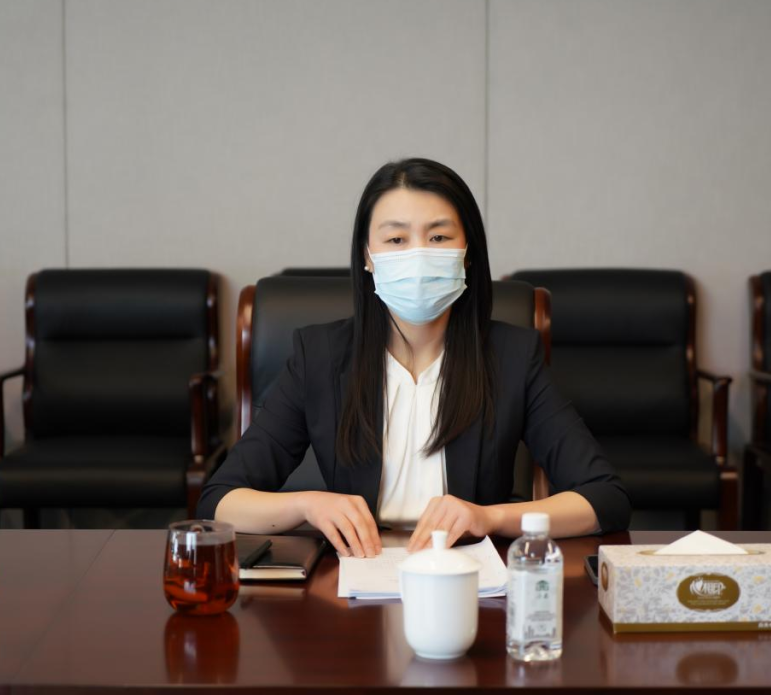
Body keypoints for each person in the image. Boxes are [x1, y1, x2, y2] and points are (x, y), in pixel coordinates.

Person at [198, 158, 629, 557]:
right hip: (355, 575)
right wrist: (307, 505)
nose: (418, 254)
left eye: (438, 237)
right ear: (367, 256)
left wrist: (489, 517)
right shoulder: (320, 357)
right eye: (396, 239)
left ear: (468, 252)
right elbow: (221, 500)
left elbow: (604, 497)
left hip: (470, 578)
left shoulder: (512, 356)